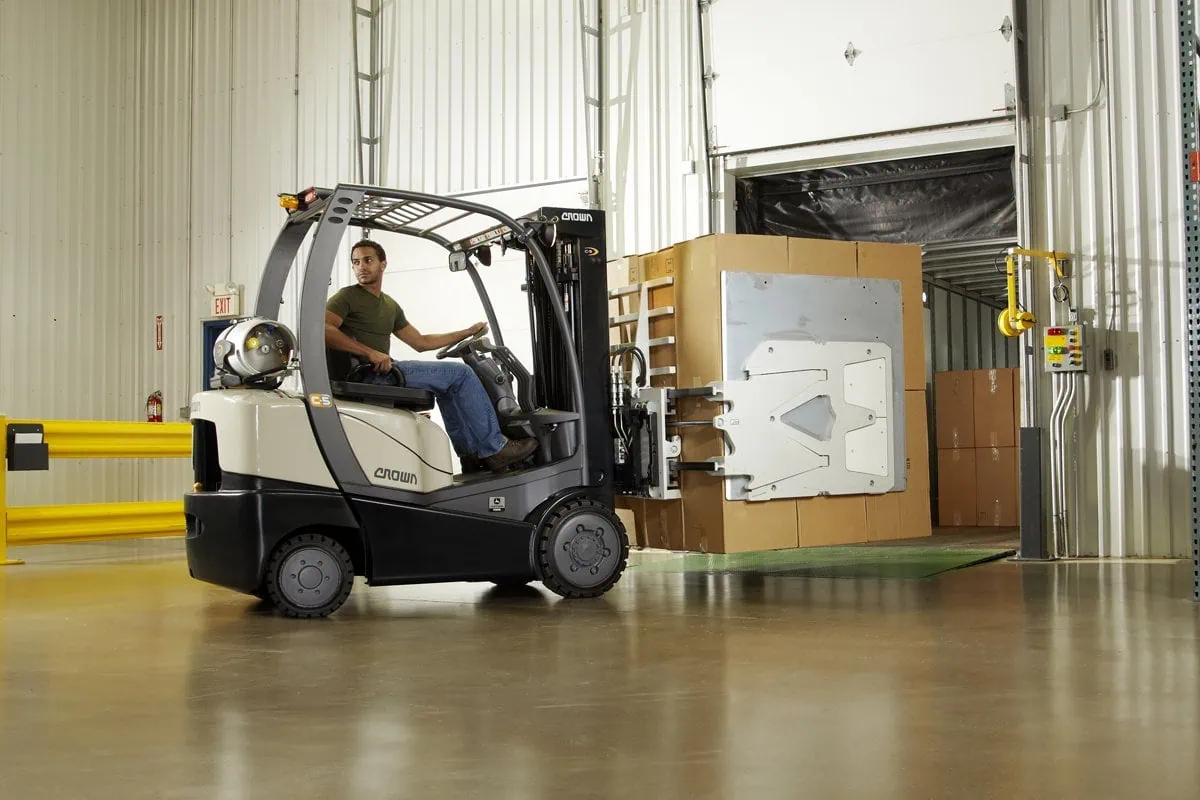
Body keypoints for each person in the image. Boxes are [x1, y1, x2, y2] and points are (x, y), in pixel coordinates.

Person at [324, 238, 537, 472]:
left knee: (450, 383)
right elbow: (324, 329)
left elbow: (421, 342)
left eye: (367, 260)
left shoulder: (388, 305)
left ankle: (471, 456)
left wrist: (466, 332)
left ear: (383, 264)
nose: (361, 267)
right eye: (356, 262)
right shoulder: (346, 297)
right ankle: (495, 448)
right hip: (368, 374)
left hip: (384, 370)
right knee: (462, 374)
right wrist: (369, 352)